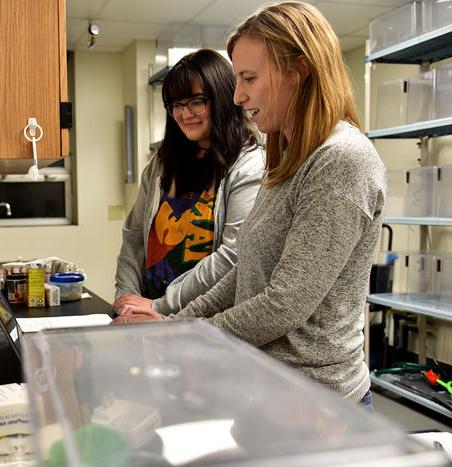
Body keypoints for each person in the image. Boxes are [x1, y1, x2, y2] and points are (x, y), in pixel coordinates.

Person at [115, 1, 386, 410]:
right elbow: (246, 272)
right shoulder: (286, 157)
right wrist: (175, 325)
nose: (238, 96)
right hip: (262, 388)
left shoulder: (342, 159)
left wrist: (187, 336)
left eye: (248, 78)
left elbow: (284, 303)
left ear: (298, 71)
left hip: (317, 407)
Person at [113, 49, 264, 316]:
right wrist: (127, 300)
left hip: (205, 324)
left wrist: (161, 305)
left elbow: (233, 256)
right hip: (148, 316)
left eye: (196, 101)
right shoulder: (161, 164)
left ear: (222, 98)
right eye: (176, 105)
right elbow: (135, 237)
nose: (185, 114)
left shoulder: (248, 165)